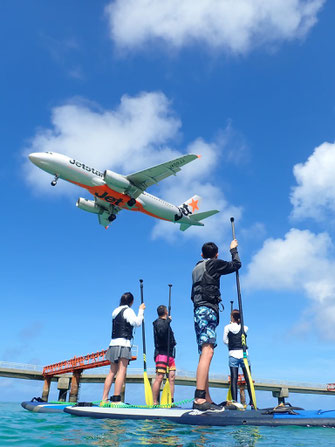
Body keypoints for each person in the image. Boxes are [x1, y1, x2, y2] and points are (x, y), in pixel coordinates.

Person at [191, 240, 241, 411]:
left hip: (199, 311)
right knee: (208, 351)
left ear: (202, 255)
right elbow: (236, 265)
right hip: (207, 310)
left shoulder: (196, 267)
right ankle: (199, 399)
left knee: (204, 352)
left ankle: (206, 398)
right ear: (216, 254)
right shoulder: (213, 264)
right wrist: (233, 250)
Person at [102, 292, 145, 403]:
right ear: (131, 302)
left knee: (112, 371)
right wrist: (141, 311)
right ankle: (116, 399)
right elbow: (137, 323)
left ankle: (104, 399)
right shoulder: (128, 311)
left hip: (113, 344)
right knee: (122, 371)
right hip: (123, 344)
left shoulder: (115, 311)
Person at [223, 309, 254, 408]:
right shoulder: (245, 328)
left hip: (233, 354)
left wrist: (231, 344)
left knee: (234, 378)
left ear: (232, 317)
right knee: (248, 378)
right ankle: (252, 401)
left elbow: (224, 341)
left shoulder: (227, 327)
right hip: (244, 355)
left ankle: (235, 401)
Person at [152, 305, 177, 405]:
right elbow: (161, 333)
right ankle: (154, 402)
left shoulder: (166, 323)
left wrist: (167, 322)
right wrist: (167, 321)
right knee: (159, 377)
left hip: (170, 354)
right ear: (166, 312)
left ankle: (171, 400)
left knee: (171, 377)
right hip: (161, 353)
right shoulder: (158, 323)